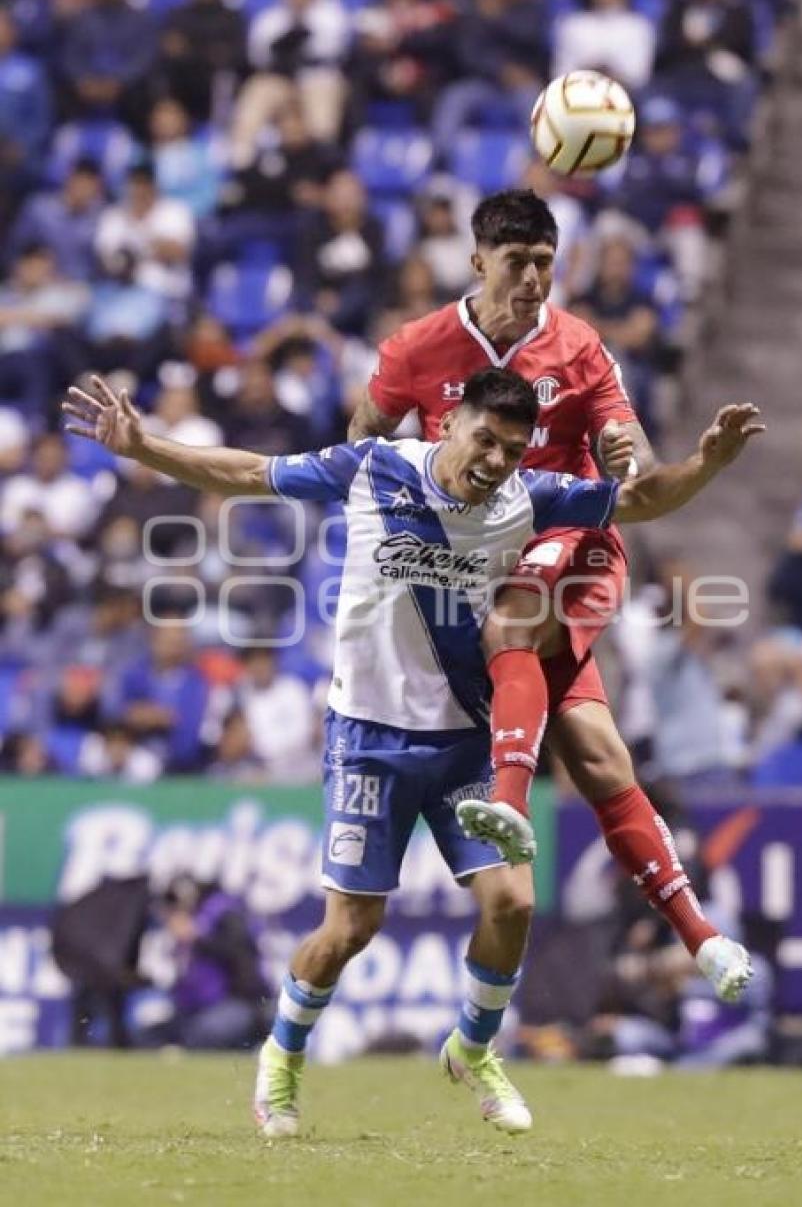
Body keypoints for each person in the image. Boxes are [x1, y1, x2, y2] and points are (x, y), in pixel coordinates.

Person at [63, 367, 762, 1137]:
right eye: (485, 440)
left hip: (465, 734)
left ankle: (473, 1045)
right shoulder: (376, 466)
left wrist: (709, 463)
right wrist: (142, 446)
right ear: (450, 424)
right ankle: (282, 1056)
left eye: (511, 448)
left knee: (514, 903)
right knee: (349, 931)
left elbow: (640, 498)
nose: (494, 460)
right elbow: (246, 473)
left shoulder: (525, 496)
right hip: (369, 736)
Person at [347, 188, 751, 994]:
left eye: (544, 262)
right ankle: (702, 936)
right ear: (478, 262)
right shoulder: (417, 350)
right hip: (472, 563)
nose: (533, 278)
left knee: (513, 622)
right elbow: (362, 434)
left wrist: (631, 455)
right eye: (517, 262)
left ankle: (508, 805)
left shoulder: (579, 348)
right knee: (601, 760)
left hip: (576, 552)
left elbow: (625, 447)